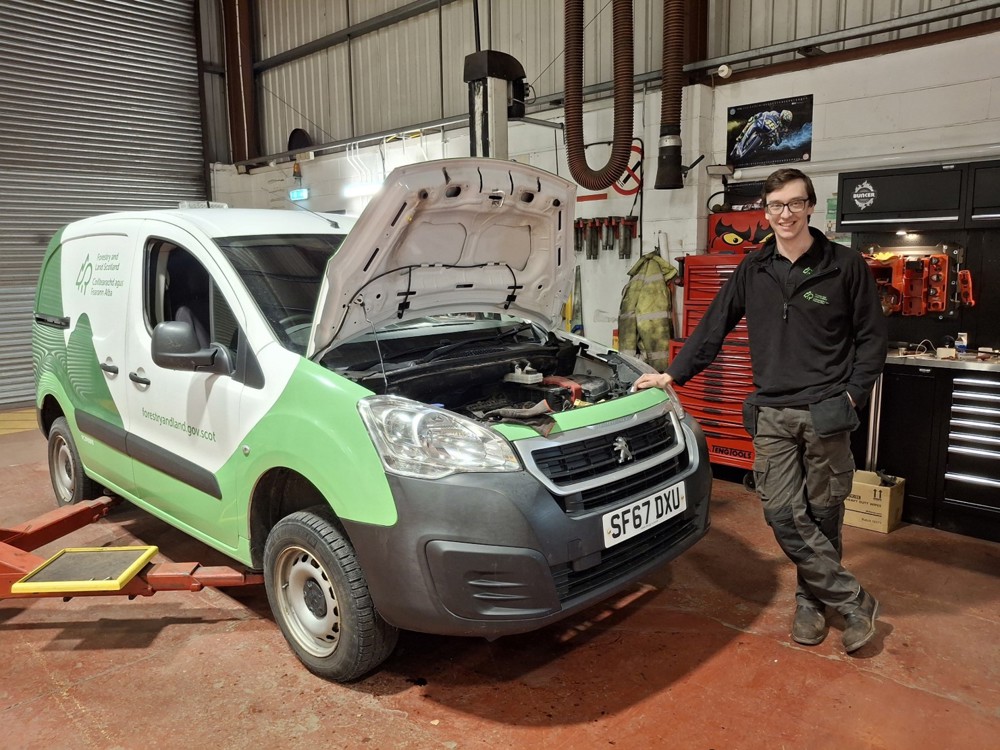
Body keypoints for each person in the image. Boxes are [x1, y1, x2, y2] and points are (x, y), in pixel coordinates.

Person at [634, 167, 887, 653]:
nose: (785, 214)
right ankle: (853, 599)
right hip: (772, 409)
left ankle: (811, 602)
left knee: (824, 511)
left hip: (827, 409)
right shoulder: (755, 267)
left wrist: (852, 394)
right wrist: (673, 374)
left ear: (810, 206)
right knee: (782, 513)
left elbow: (873, 339)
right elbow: (715, 322)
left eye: (794, 203)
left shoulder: (844, 265)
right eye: (775, 205)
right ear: (766, 212)